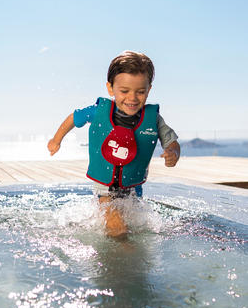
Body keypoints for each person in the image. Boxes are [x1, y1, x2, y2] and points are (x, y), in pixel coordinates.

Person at [48, 51, 180, 238]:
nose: (132, 98)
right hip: (105, 189)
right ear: (111, 88)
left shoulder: (154, 120)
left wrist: (173, 153)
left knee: (134, 225)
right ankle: (123, 257)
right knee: (117, 227)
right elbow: (74, 117)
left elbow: (171, 141)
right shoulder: (98, 111)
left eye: (140, 92)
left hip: (134, 188)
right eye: (124, 91)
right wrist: (56, 140)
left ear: (149, 90)